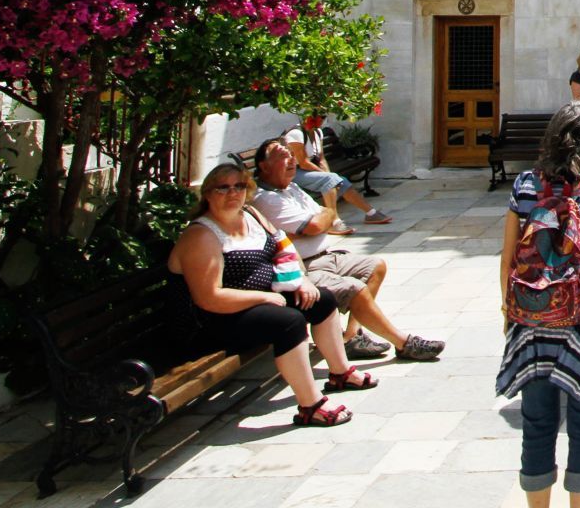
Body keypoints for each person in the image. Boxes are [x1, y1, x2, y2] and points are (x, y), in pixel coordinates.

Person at [497, 103, 580, 508]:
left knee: (537, 422)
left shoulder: (525, 185)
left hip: (532, 319)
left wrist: (508, 312)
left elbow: (507, 258)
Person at [168, 163, 362, 427]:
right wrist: (263, 298)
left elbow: (284, 248)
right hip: (209, 323)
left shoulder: (251, 215)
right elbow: (209, 298)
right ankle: (311, 406)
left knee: (322, 299)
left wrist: (301, 279)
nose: (232, 193)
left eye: (239, 186)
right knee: (289, 322)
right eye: (223, 188)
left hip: (251, 306)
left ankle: (341, 373)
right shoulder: (202, 235)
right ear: (208, 194)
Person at [250, 139, 445, 363]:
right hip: (304, 267)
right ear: (264, 166)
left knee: (375, 266)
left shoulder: (292, 188)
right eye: (283, 156)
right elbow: (316, 224)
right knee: (355, 288)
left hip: (325, 256)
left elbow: (326, 216)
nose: (291, 160)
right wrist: (319, 221)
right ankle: (404, 343)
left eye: (291, 155)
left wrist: (319, 220)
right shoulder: (266, 198)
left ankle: (352, 337)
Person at [283, 116, 390, 228]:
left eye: (323, 117)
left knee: (339, 180)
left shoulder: (318, 132)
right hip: (292, 173)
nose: (321, 120)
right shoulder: (296, 134)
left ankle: (371, 213)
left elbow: (321, 158)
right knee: (330, 179)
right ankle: (333, 221)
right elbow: (303, 162)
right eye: (318, 117)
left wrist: (329, 174)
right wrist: (327, 176)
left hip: (308, 170)